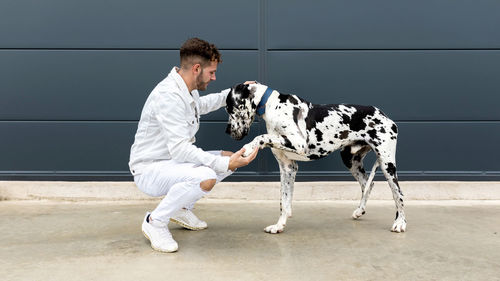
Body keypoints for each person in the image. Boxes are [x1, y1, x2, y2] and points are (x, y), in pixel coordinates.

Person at [129, 38, 259, 253]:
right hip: (150, 170)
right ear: (197, 68)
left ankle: (180, 208)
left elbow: (202, 105)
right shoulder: (168, 96)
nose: (214, 77)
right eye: (212, 72)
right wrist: (223, 162)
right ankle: (155, 221)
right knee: (208, 175)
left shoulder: (187, 89)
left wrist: (236, 92)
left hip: (171, 163)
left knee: (230, 158)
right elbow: (180, 149)